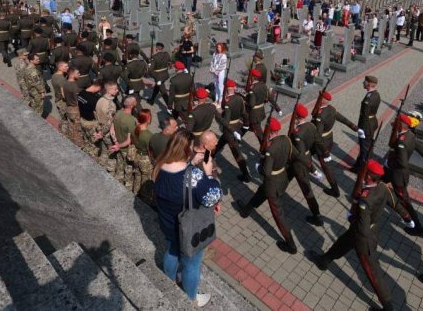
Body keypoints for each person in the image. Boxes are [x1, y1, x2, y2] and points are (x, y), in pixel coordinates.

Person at [307, 161, 395, 311]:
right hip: (362, 230)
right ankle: (324, 260)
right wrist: (407, 217)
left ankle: (388, 307)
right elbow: (394, 202)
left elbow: (362, 226)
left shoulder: (365, 199)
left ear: (368, 176)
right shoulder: (382, 187)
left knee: (372, 273)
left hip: (363, 237)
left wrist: (352, 217)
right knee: (342, 243)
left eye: (364, 173)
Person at [153, 131, 222, 307]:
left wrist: (190, 163)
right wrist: (207, 173)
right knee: (192, 264)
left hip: (168, 224)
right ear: (186, 149)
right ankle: (190, 298)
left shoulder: (160, 165)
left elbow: (178, 179)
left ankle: (168, 280)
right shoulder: (193, 177)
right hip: (188, 230)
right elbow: (213, 196)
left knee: (172, 250)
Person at [235, 117, 298, 254]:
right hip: (281, 178)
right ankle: (246, 210)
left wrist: (259, 167)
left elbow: (266, 172)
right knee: (260, 193)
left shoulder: (271, 148)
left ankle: (291, 245)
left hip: (272, 183)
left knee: (278, 214)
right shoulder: (286, 140)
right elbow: (296, 155)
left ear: (269, 132)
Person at [336, 76, 381, 171]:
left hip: (366, 126)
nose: (363, 83)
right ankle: (358, 165)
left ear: (368, 85)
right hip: (372, 123)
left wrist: (361, 129)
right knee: (367, 146)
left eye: (364, 82)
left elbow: (364, 116)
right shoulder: (376, 94)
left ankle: (363, 169)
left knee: (365, 149)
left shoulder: (368, 100)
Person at [109, 96, 138, 185]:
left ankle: (116, 180)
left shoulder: (118, 113)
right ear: (132, 106)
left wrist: (116, 142)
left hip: (118, 145)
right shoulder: (132, 120)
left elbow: (112, 129)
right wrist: (119, 146)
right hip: (126, 149)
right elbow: (129, 141)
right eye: (135, 101)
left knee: (120, 165)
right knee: (127, 169)